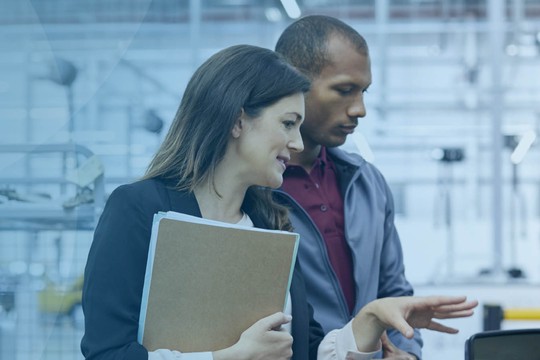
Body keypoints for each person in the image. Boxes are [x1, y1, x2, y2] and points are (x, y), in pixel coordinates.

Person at [80, 44, 477, 360]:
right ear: (237, 120)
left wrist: (370, 319)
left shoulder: (271, 225)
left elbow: (308, 350)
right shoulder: (138, 210)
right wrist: (225, 358)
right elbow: (108, 353)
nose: (298, 143)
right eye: (288, 124)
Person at [274, 15, 424, 359]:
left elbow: (394, 290)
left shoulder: (368, 182)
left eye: (363, 91)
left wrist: (408, 353)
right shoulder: (254, 191)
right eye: (344, 90)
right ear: (291, 83)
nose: (360, 109)